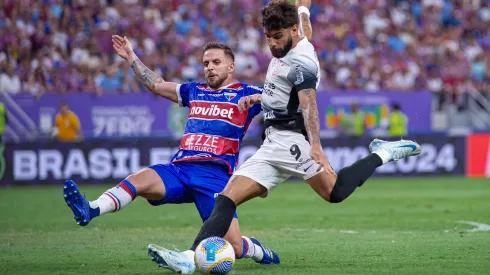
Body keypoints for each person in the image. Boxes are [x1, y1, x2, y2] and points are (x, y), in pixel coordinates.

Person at [150, 1, 422, 273]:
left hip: (293, 141)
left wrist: (315, 145)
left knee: (335, 193)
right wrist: (261, 96)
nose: (272, 44)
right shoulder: (297, 35)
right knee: (226, 198)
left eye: (278, 37)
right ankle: (188, 257)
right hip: (271, 143)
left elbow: (309, 104)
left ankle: (384, 153)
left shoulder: (302, 62)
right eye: (268, 37)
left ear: (292, 31)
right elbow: (303, 23)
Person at [62, 35, 280, 273]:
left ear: (231, 66)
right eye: (206, 64)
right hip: (181, 168)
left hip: (215, 177)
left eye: (216, 62)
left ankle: (257, 250)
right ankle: (91, 208)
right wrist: (132, 57)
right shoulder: (194, 90)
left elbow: (286, 99)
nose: (209, 68)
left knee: (234, 247)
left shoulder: (246, 92)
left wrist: (261, 98)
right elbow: (156, 84)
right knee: (138, 180)